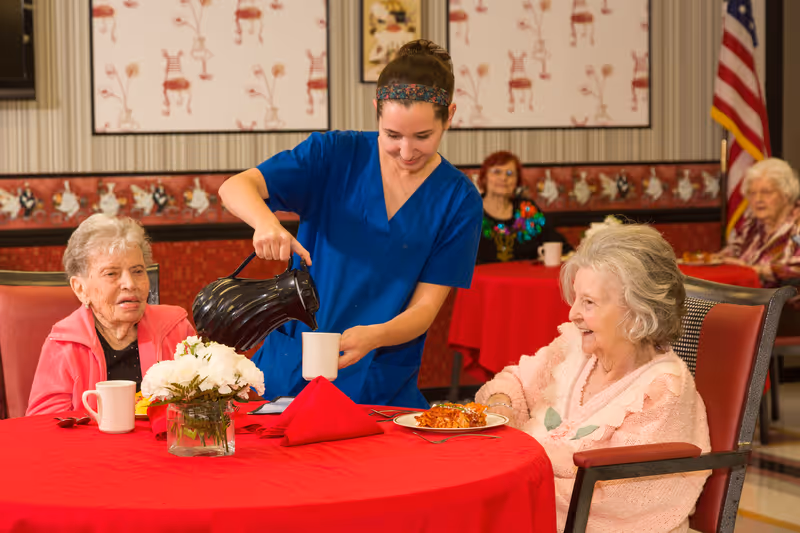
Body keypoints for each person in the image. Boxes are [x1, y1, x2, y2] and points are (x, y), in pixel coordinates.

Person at [218, 39, 482, 409]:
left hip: (378, 377)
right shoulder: (333, 155)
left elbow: (424, 309)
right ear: (376, 111)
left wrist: (375, 336)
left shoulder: (459, 199)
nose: (406, 152)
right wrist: (266, 224)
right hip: (291, 367)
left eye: (423, 137)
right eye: (392, 136)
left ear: (449, 116)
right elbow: (236, 187)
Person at [476, 224, 710, 532]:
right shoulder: (574, 347)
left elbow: (616, 499)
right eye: (575, 299)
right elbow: (515, 381)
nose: (572, 313)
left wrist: (512, 483)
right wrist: (501, 405)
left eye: (589, 303)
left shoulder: (662, 389)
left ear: (638, 312)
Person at [26, 214, 195, 415]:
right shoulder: (65, 344)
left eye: (138, 271)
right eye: (111, 273)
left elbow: (204, 405)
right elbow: (45, 426)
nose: (130, 284)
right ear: (80, 289)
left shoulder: (175, 329)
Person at [476, 150, 572, 264]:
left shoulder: (527, 210)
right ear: (484, 177)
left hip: (525, 280)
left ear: (517, 181)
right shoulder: (469, 211)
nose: (503, 178)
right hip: (480, 281)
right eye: (497, 172)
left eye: (510, 173)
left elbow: (559, 244)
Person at [718, 157, 800, 288]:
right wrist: (716, 259)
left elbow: (796, 269)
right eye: (752, 193)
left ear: (786, 195)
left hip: (785, 304)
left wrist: (756, 270)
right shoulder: (753, 222)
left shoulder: (797, 225)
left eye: (766, 192)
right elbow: (735, 250)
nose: (758, 199)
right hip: (747, 296)